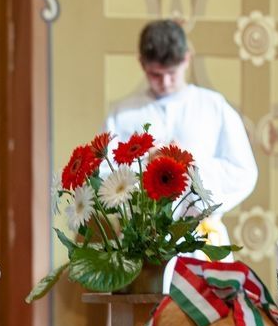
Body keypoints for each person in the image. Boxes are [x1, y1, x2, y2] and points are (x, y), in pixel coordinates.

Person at [104, 19, 258, 246]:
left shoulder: (213, 107)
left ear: (187, 58)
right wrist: (147, 164)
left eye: (171, 73)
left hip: (201, 237)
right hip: (141, 242)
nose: (165, 82)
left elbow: (243, 173)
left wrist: (191, 161)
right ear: (141, 63)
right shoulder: (123, 114)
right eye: (155, 74)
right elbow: (105, 175)